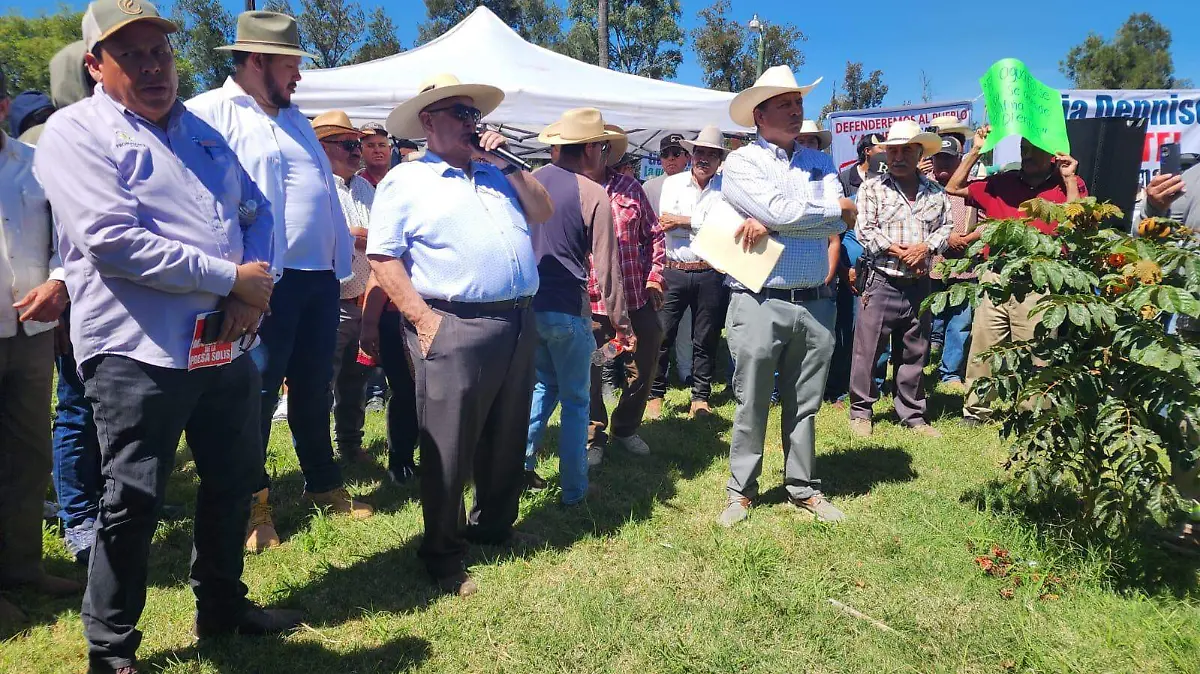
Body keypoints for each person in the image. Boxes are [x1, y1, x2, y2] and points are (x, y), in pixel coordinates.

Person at [35, 1, 306, 667]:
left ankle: (220, 606)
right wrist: (228, 278)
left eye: (161, 51)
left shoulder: (201, 132)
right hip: (136, 349)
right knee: (132, 498)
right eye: (132, 54)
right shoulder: (76, 133)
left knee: (231, 478)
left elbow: (257, 210)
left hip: (223, 340)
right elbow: (114, 243)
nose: (154, 66)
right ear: (96, 65)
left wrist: (252, 292)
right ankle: (112, 646)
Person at [187, 10, 369, 553]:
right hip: (262, 282)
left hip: (316, 281)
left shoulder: (295, 119)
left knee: (315, 389)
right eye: (291, 63)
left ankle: (321, 482)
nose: (299, 75)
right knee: (254, 395)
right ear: (258, 61)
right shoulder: (207, 113)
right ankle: (250, 504)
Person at [367, 73, 554, 596]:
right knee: (449, 443)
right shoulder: (406, 181)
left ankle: (493, 526)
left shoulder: (496, 175)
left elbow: (542, 210)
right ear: (428, 122)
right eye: (460, 114)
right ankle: (443, 553)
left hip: (517, 317)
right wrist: (424, 321)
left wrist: (512, 166)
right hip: (454, 322)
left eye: (475, 114)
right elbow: (382, 256)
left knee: (507, 430)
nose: (473, 124)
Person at [716, 66, 856, 527]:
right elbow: (789, 209)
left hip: (816, 299)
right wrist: (802, 215)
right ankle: (741, 491)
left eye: (798, 104)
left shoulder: (819, 160)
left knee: (806, 401)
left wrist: (779, 220)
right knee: (751, 398)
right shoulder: (740, 163)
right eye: (785, 104)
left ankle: (803, 487)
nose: (797, 111)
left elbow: (844, 219)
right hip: (760, 298)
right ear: (759, 114)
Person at [0, 61, 81, 629]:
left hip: (30, 331)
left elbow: (65, 236)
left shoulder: (33, 165)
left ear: (3, 107)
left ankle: (22, 567)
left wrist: (59, 280)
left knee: (27, 454)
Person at [524, 108, 630, 503]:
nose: (605, 155)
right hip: (568, 307)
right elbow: (607, 268)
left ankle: (521, 468)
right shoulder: (592, 193)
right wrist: (622, 324)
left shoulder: (529, 182)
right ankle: (574, 489)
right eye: (603, 147)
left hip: (528, 308)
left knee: (540, 386)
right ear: (589, 148)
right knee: (576, 401)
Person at [945, 124, 1084, 425]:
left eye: (1034, 149)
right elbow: (954, 188)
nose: (1027, 154)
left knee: (1039, 351)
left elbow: (1077, 223)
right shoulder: (1001, 182)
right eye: (1023, 148)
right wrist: (975, 150)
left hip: (1040, 282)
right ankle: (976, 410)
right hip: (997, 277)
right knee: (984, 345)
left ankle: (1034, 413)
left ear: (1052, 154)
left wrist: (1070, 178)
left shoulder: (1065, 185)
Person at [849, 121, 954, 438]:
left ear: (919, 152)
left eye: (906, 150)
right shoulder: (871, 188)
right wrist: (897, 250)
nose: (898, 156)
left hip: (919, 283)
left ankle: (911, 414)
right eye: (892, 150)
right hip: (881, 280)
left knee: (915, 350)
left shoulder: (936, 193)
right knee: (868, 351)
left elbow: (945, 228)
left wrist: (925, 248)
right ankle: (860, 413)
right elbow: (864, 229)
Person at [584, 120, 666, 466]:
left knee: (644, 365)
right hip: (591, 303)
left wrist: (656, 276)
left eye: (601, 146)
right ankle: (593, 433)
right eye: (588, 145)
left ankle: (626, 427)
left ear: (607, 151)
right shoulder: (571, 191)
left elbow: (656, 235)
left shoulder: (631, 188)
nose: (594, 152)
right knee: (589, 370)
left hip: (636, 298)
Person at [647, 125, 728, 419]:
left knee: (706, 337)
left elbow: (725, 228)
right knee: (662, 335)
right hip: (675, 269)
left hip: (710, 271)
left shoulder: (726, 188)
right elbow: (667, 222)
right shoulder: (673, 184)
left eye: (711, 154)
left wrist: (685, 223)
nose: (703, 158)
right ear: (692, 155)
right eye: (700, 152)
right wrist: (703, 224)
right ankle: (654, 393)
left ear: (720, 159)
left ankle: (700, 397)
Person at [313, 110, 375, 464]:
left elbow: (377, 237)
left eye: (359, 144)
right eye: (349, 144)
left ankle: (350, 444)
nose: (358, 151)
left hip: (364, 297)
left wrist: (359, 236)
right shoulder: (317, 186)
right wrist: (358, 236)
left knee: (356, 379)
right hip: (329, 300)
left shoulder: (364, 186)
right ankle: (318, 454)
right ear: (321, 147)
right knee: (320, 383)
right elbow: (339, 237)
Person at [927, 137, 978, 392]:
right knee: (925, 321)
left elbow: (989, 222)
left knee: (960, 324)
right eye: (939, 157)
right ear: (932, 160)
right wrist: (947, 238)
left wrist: (967, 239)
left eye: (949, 157)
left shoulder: (973, 189)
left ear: (961, 159)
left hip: (966, 270)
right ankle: (921, 364)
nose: (944, 162)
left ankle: (950, 374)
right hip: (929, 269)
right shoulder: (924, 189)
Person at [642, 132, 690, 216]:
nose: (671, 158)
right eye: (665, 154)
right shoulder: (648, 187)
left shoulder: (696, 185)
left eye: (676, 153)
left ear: (687, 157)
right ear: (660, 158)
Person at [358, 121, 391, 187]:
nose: (377, 150)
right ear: (361, 151)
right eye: (370, 146)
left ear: (390, 149)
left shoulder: (401, 181)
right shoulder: (353, 186)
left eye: (382, 145)